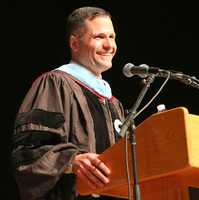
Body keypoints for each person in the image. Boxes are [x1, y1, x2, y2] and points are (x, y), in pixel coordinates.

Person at [11, 6, 125, 200]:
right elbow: (27, 151)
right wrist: (72, 160)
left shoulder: (113, 102)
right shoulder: (55, 84)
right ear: (74, 43)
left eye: (112, 37)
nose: (109, 45)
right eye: (99, 37)